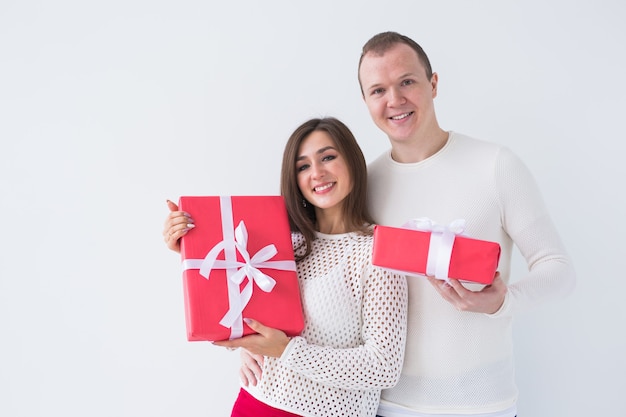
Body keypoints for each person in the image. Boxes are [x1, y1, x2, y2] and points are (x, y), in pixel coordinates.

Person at [241, 32, 576, 417]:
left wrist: (502, 302)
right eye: (378, 90)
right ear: (366, 102)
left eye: (407, 82)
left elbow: (559, 271)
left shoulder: (495, 165)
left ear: (433, 84)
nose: (394, 100)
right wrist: (253, 344)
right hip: (384, 405)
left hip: (481, 404)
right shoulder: (363, 184)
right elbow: (299, 268)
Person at [163, 117, 408, 417]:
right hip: (255, 402)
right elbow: (234, 312)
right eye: (303, 166)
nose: (316, 173)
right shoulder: (283, 244)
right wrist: (188, 249)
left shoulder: (377, 256)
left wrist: (286, 351)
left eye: (328, 157)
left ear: (353, 161)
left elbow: (382, 368)